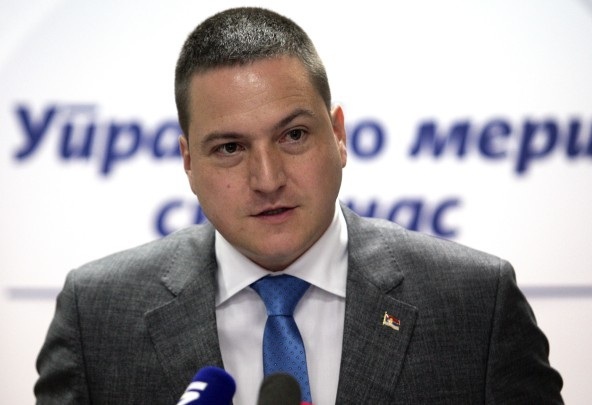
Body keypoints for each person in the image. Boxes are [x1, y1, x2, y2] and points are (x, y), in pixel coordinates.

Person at [35, 7, 563, 404]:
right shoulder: (97, 316)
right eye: (230, 148)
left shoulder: (475, 304)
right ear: (188, 162)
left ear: (338, 136)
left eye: (293, 135)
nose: (267, 180)